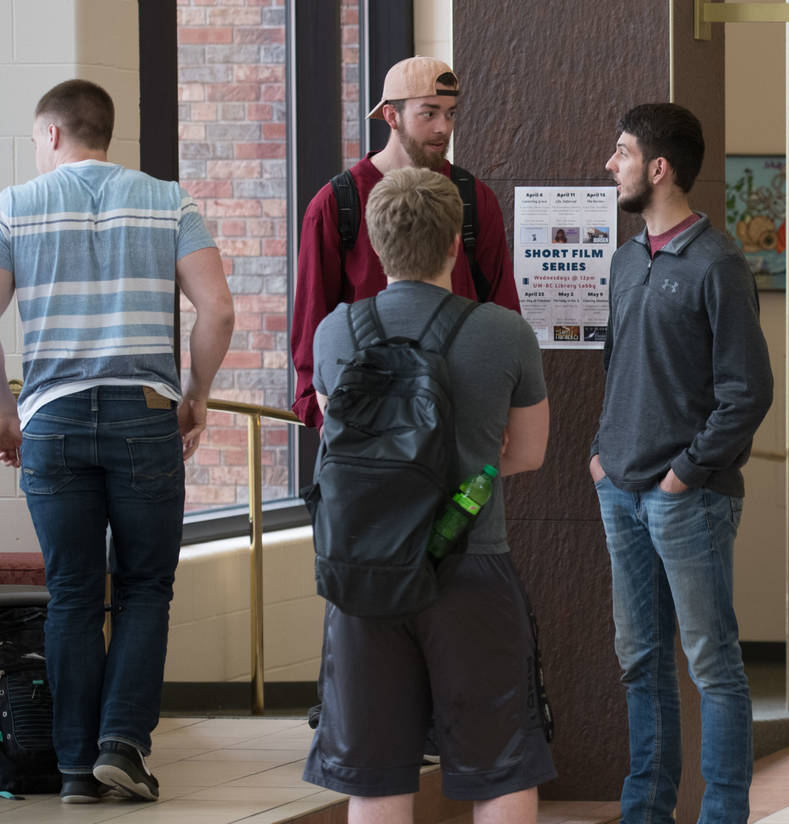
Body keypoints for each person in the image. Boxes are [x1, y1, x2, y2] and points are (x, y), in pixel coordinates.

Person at [0, 79, 235, 803]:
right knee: (143, 587)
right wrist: (194, 397)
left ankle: (73, 768)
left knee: (71, 592)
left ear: (50, 135)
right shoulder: (168, 200)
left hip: (53, 418)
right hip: (144, 415)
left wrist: (3, 413)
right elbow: (218, 311)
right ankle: (123, 748)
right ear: (107, 132)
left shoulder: (14, 206)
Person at [301, 167, 552, 824]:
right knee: (499, 768)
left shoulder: (335, 335)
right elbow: (527, 453)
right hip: (472, 563)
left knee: (378, 779)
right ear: (454, 245)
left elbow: (339, 445)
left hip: (364, 577)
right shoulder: (504, 333)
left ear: (378, 248)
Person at [591, 103, 774, 824]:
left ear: (658, 168)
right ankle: (647, 812)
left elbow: (747, 392)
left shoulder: (719, 265)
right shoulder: (626, 259)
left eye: (622, 151)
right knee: (641, 662)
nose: (612, 165)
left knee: (713, 667)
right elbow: (620, 369)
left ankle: (724, 814)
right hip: (620, 489)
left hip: (686, 499)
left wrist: (684, 474)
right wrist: (604, 456)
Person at [290, 56, 520, 429]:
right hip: (364, 427)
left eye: (450, 114)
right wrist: (327, 420)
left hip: (457, 421)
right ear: (392, 116)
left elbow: (504, 310)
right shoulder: (336, 204)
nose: (443, 128)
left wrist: (499, 412)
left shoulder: (474, 199)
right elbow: (311, 324)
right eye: (429, 113)